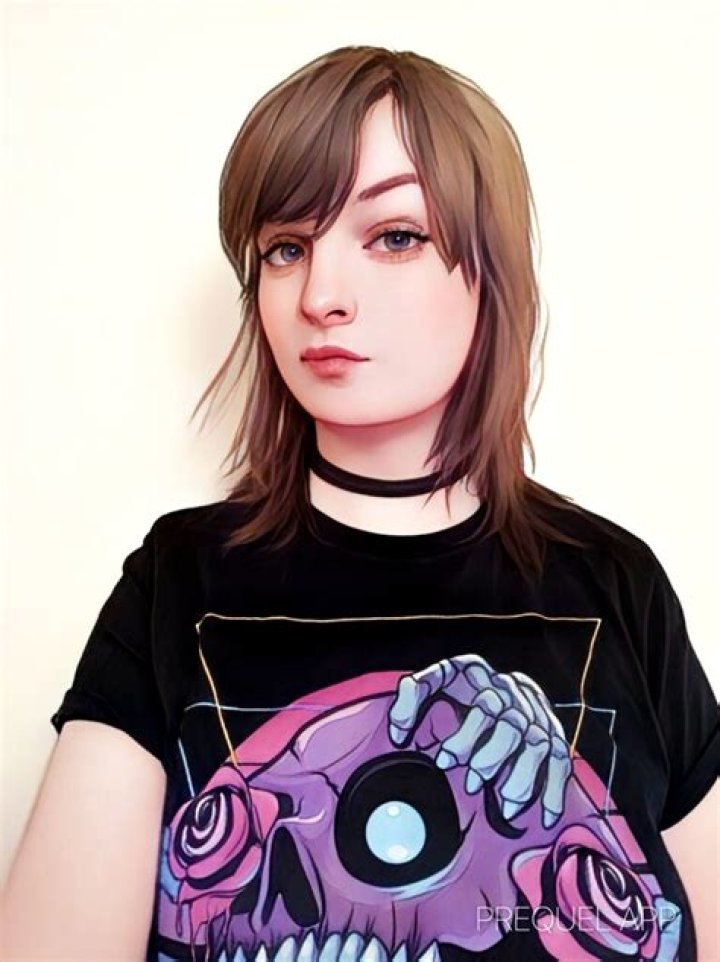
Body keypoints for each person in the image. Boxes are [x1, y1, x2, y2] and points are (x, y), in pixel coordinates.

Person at [3, 45, 718, 962]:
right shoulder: (179, 583)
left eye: (394, 237)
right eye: (286, 248)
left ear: (490, 271)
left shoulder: (615, 585)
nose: (321, 296)